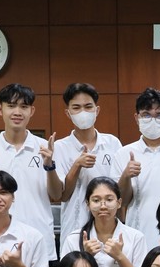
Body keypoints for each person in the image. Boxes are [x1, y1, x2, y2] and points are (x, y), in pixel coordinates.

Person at [0, 83, 60, 259]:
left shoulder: (46, 148)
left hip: (39, 238)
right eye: (11, 106)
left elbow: (56, 194)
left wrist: (49, 166)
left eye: (24, 106)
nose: (17, 112)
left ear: (32, 111)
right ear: (0, 109)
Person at [52, 83, 123, 245]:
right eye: (76, 108)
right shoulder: (59, 147)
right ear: (68, 113)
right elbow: (62, 195)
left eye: (88, 106)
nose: (83, 112)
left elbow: (120, 192)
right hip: (73, 228)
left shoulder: (112, 143)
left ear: (97, 110)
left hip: (110, 230)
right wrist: (77, 165)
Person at [113, 87, 160, 238]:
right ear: (136, 117)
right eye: (146, 115)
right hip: (138, 233)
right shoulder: (123, 154)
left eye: (159, 115)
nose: (152, 120)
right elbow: (121, 202)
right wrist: (126, 176)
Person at [60, 177, 146, 267]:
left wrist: (120, 257)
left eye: (109, 199)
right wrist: (86, 257)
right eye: (96, 200)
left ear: (119, 203)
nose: (103, 206)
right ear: (88, 204)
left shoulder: (136, 237)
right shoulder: (74, 238)